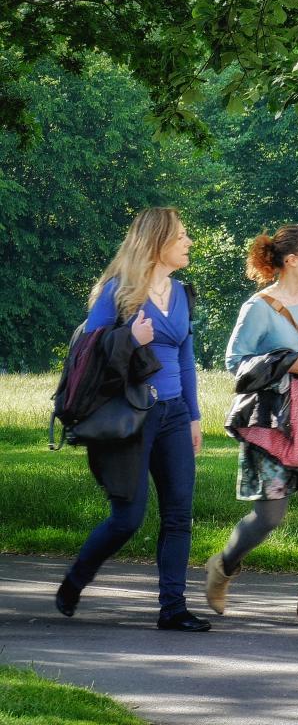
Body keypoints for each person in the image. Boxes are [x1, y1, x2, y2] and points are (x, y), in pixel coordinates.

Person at [55, 207, 210, 632]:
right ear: (158, 242)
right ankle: (76, 580)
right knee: (128, 517)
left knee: (179, 514)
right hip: (132, 417)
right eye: (181, 236)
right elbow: (87, 353)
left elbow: (185, 356)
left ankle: (173, 608)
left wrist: (194, 416)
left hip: (175, 414)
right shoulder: (117, 292)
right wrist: (130, 337)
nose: (188, 242)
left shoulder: (181, 293)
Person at [205, 224, 298, 628]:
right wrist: (285, 362)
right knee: (270, 516)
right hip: (270, 420)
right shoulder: (258, 307)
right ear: (291, 261)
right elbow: (235, 363)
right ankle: (224, 565)